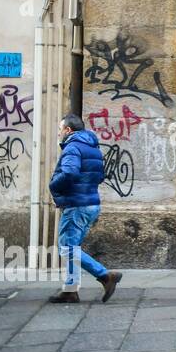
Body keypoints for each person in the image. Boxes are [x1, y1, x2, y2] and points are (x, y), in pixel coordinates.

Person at [47, 115, 122, 304]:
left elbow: (70, 173)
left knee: (66, 249)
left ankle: (105, 276)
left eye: (61, 128)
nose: (59, 132)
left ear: (69, 131)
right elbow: (99, 175)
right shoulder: (92, 147)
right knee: (73, 247)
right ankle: (70, 291)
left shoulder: (72, 147)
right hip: (91, 203)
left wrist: (54, 186)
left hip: (76, 205)